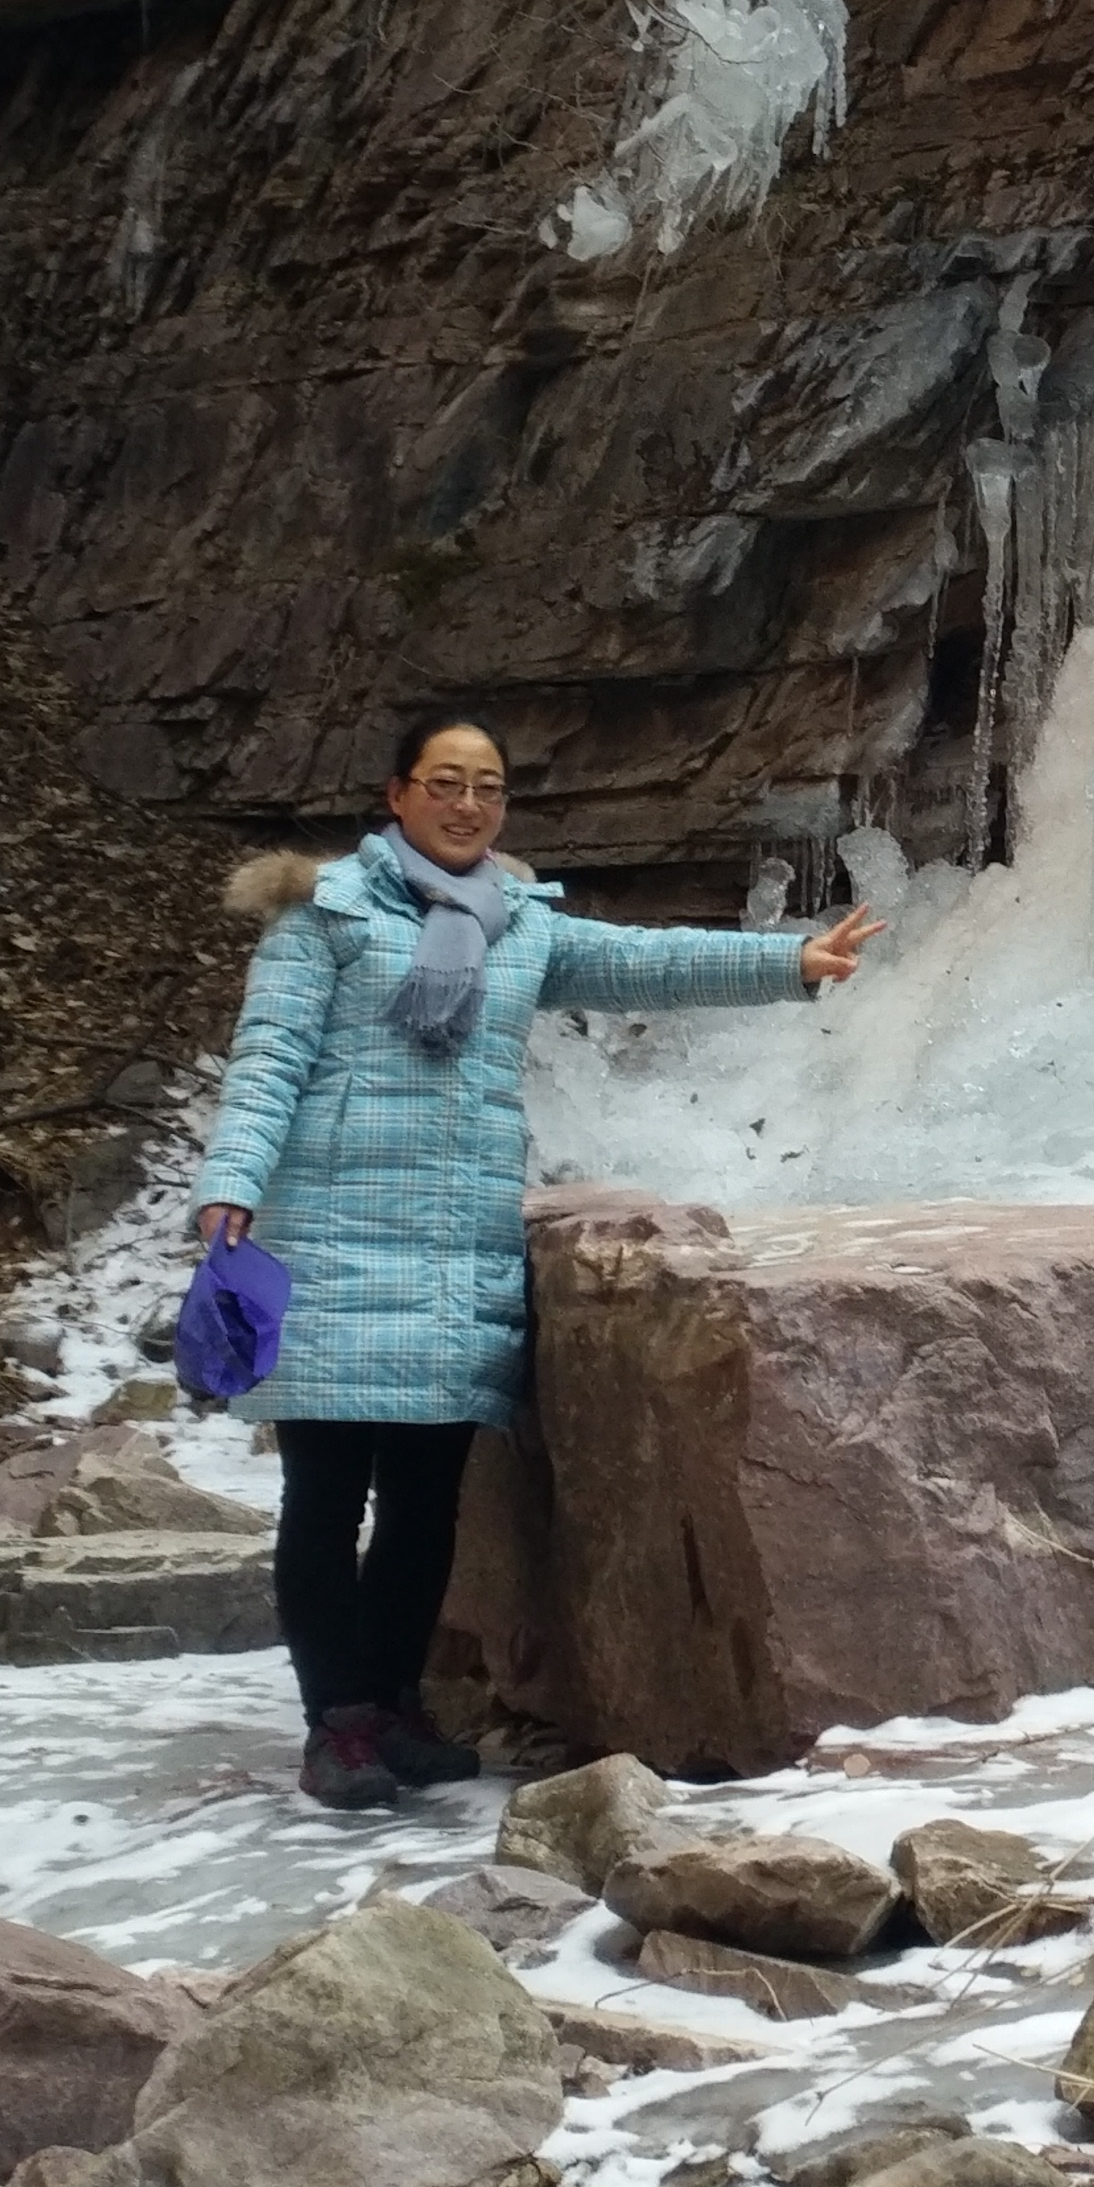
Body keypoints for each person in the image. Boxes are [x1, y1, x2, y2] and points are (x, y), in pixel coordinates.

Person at [192, 707, 879, 1813]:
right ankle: (341, 1721)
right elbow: (269, 1059)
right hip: (330, 1232)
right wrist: (231, 1181)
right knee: (325, 1494)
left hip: (455, 1246)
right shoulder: (323, 915)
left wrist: (790, 960)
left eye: (489, 788)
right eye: (447, 783)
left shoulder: (522, 923)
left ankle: (399, 1704)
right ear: (398, 795)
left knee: (423, 1500)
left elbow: (643, 963)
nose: (469, 805)